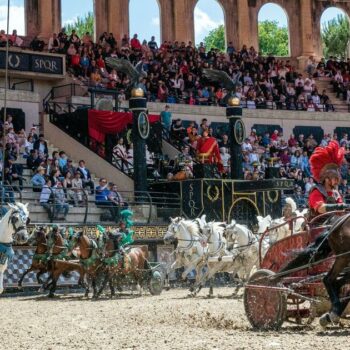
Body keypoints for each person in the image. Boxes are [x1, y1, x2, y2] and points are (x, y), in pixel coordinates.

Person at [279, 141, 349, 285]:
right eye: (334, 178)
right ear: (326, 178)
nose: (337, 181)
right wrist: (339, 205)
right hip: (319, 228)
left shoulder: (335, 193)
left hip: (335, 226)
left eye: (337, 178)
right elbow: (321, 208)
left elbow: (340, 211)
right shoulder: (316, 191)